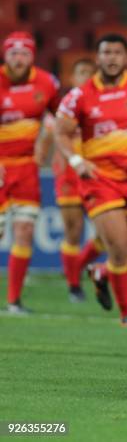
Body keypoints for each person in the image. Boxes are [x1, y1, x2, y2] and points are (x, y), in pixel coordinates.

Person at [55, 33, 127, 326]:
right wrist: (76, 160)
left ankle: (102, 272)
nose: (112, 58)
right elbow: (61, 131)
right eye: (106, 52)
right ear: (98, 58)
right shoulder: (79, 95)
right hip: (99, 180)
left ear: (126, 57)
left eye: (117, 52)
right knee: (120, 249)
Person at [1, 31, 60, 314]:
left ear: (32, 56)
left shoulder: (46, 83)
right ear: (5, 55)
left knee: (24, 230)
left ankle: (13, 301)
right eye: (13, 53)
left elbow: (60, 118)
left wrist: (47, 144)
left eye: (24, 53)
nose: (19, 58)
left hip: (26, 168)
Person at [41, 59, 97, 303]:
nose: (85, 77)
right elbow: (49, 134)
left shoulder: (101, 106)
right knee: (73, 230)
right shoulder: (64, 106)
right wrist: (44, 157)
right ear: (72, 79)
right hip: (69, 175)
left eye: (90, 73)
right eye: (81, 72)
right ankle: (74, 285)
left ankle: (79, 266)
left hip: (96, 174)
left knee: (108, 234)